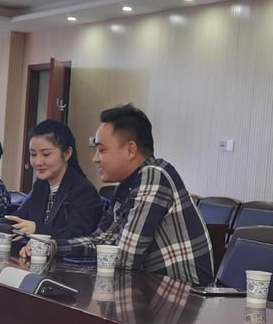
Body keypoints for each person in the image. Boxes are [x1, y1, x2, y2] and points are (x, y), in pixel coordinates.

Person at [22, 104, 214, 286]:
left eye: (101, 150)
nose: (95, 158)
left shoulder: (154, 175)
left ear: (130, 150)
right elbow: (100, 240)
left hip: (186, 294)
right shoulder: (126, 186)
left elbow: (125, 257)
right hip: (149, 288)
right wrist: (52, 246)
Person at [6, 120, 102, 240]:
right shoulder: (40, 185)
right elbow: (18, 219)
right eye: (33, 154)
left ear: (67, 153)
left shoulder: (84, 191)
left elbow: (77, 237)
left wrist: (37, 230)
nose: (38, 162)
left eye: (46, 154)